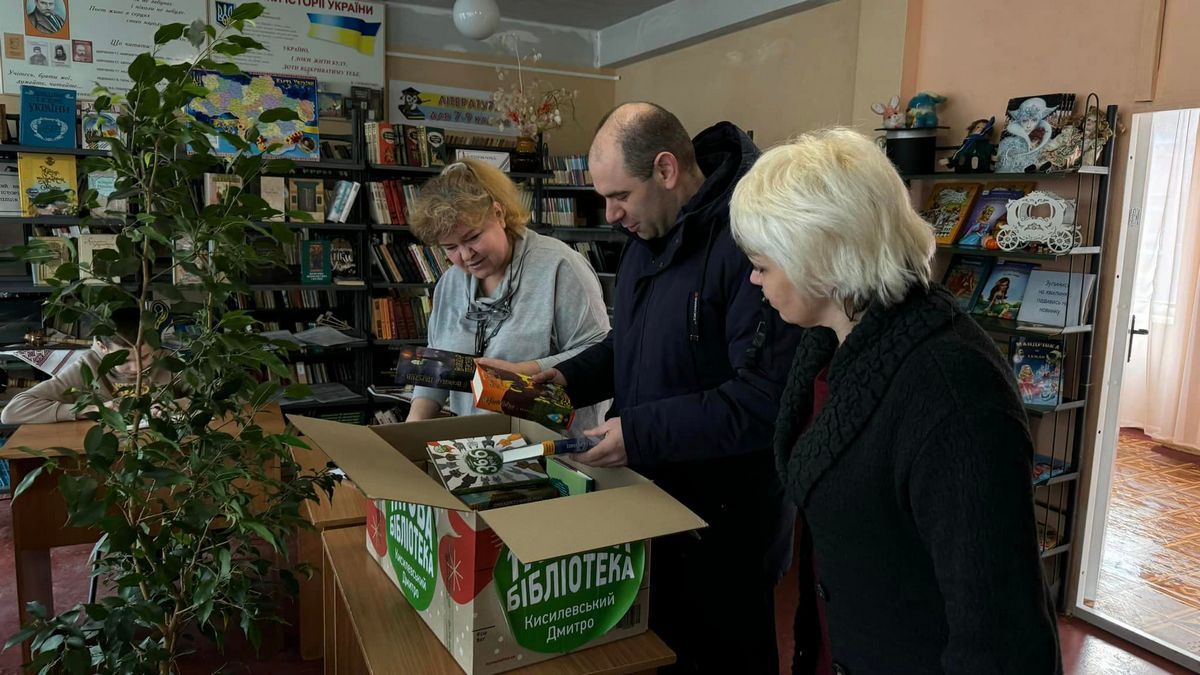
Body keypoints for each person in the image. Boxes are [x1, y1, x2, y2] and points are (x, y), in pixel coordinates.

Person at [729, 127, 1062, 673]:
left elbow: (1002, 635)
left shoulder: (951, 389)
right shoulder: (830, 344)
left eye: (763, 263)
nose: (752, 277)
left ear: (821, 256)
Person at [529, 102, 803, 672]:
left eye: (620, 196)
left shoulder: (751, 242)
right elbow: (629, 347)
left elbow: (763, 402)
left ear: (666, 169)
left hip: (723, 525)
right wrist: (565, 379)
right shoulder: (646, 236)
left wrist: (639, 434)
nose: (610, 214)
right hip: (650, 502)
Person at [404, 159, 610, 431]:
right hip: (476, 447)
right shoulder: (449, 284)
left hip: (554, 448)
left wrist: (526, 370)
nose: (466, 256)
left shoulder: (560, 266)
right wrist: (410, 428)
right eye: (450, 247)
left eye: (473, 237)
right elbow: (437, 367)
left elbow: (601, 354)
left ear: (499, 214)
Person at [1, 307, 170, 424]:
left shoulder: (168, 360)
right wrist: (96, 409)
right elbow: (12, 412)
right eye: (122, 360)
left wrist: (171, 406)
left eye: (145, 356)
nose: (136, 369)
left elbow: (196, 397)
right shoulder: (88, 366)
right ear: (103, 348)